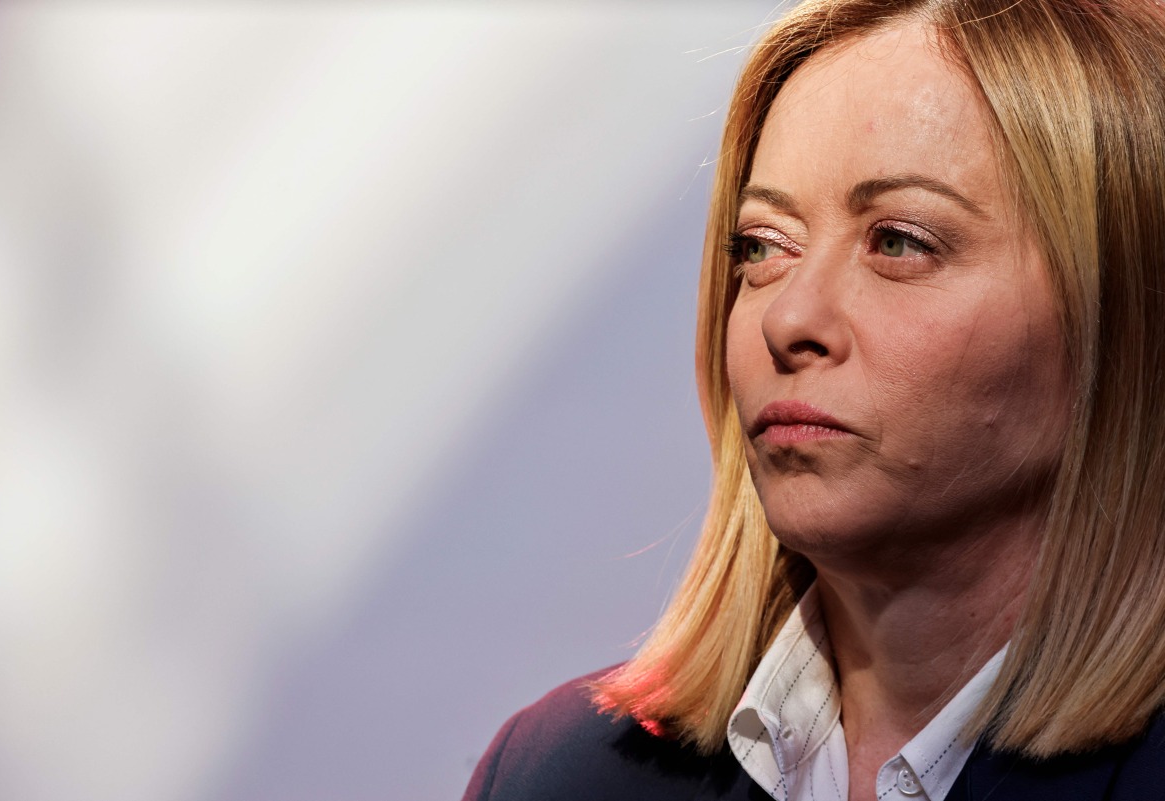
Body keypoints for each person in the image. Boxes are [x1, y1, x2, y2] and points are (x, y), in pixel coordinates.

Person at [461, 0, 1165, 799]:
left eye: (899, 241)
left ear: (1127, 315)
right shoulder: (563, 776)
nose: (789, 318)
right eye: (762, 247)